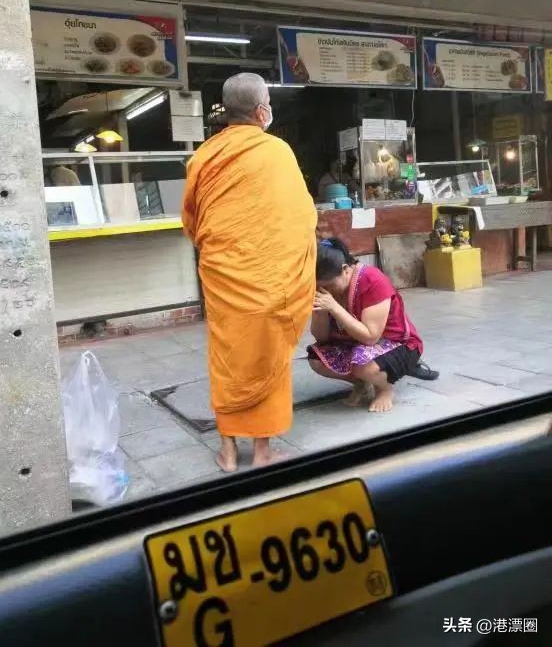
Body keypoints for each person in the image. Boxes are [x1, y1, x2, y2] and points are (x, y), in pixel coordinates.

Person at [182, 73, 317, 471]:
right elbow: (300, 215)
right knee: (267, 352)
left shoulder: (204, 155)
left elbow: (191, 220)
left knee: (227, 355)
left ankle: (227, 450)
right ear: (261, 111)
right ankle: (261, 452)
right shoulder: (277, 152)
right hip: (271, 276)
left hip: (224, 273)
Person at [308, 237, 432, 413]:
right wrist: (321, 312)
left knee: (363, 365)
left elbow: (370, 337)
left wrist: (335, 308)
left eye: (330, 285)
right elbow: (321, 338)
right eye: (320, 287)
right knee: (316, 359)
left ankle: (384, 388)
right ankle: (362, 383)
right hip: (354, 343)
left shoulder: (372, 280)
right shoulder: (325, 290)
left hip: (397, 344)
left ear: (345, 269)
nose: (326, 291)